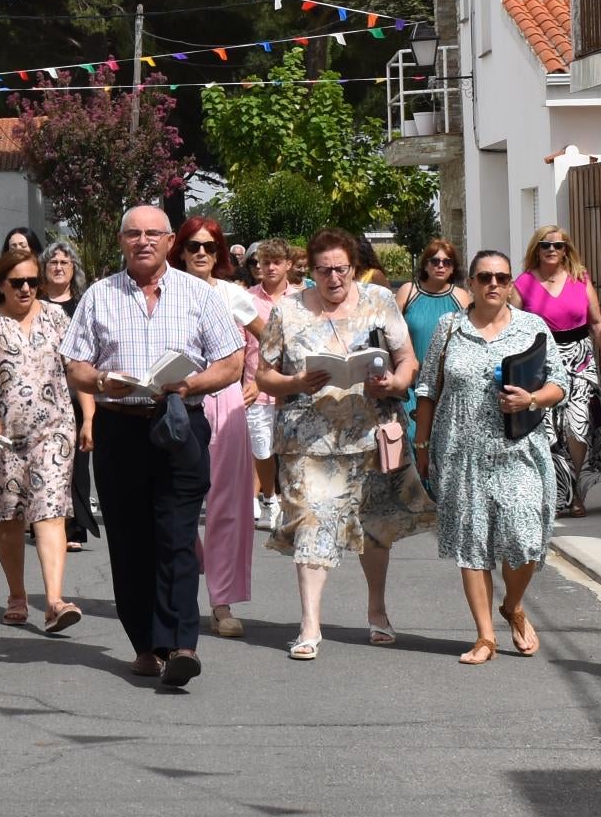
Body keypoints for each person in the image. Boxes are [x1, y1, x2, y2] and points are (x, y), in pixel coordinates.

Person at [65, 206, 249, 688]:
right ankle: (146, 646)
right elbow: (75, 365)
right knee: (129, 542)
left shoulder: (198, 294)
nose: (143, 241)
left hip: (179, 423)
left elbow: (232, 362)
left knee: (177, 537)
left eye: (153, 233)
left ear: (170, 242)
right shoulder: (99, 295)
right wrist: (101, 380)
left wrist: (190, 384)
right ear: (121, 241)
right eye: (133, 233)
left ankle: (182, 645)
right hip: (120, 427)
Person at [256, 227, 430, 656]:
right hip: (308, 441)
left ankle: (377, 611)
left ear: (354, 266)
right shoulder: (287, 310)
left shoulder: (380, 300)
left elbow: (408, 359)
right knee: (311, 523)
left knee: (374, 527)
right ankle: (310, 625)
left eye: (341, 269)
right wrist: (296, 381)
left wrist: (394, 382)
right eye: (324, 271)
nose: (334, 278)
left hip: (372, 436)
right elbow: (263, 375)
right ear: (310, 271)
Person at [415, 250, 566, 665]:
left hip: (518, 447)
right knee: (472, 542)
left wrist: (531, 399)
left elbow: (559, 383)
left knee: (525, 538)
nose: (493, 284)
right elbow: (427, 388)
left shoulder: (531, 327)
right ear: (471, 282)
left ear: (511, 282)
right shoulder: (450, 328)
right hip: (459, 451)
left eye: (501, 277)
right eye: (484, 277)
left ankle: (512, 605)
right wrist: (422, 446)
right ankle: (485, 637)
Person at [0, 246, 82, 632]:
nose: (27, 288)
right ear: (2, 284)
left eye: (33, 281)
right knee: (11, 518)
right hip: (4, 438)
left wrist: (92, 414)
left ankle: (54, 601)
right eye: (18, 282)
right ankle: (17, 595)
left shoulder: (56, 318)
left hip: (54, 430)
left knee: (50, 512)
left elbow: (76, 368)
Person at [175, 217, 261, 639]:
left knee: (227, 502)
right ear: (180, 250)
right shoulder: (167, 291)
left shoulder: (232, 295)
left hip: (225, 400)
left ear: (219, 252)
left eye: (209, 246)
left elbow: (271, 338)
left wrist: (257, 379)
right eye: (193, 246)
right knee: (176, 499)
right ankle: (184, 582)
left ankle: (222, 601)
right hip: (176, 399)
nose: (201, 253)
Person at [515, 228, 601, 517]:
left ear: (566, 249)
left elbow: (597, 323)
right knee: (549, 430)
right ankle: (557, 491)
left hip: (580, 359)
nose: (551, 249)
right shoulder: (523, 283)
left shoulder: (580, 278)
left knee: (577, 427)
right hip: (541, 360)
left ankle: (575, 487)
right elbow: (511, 326)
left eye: (558, 245)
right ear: (537, 248)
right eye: (545, 245)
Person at [40, 242, 99, 549]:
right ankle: (45, 523)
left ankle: (74, 528)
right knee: (43, 462)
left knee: (76, 463)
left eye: (65, 262)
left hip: (77, 394)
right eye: (53, 262)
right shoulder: (33, 304)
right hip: (40, 397)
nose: (59, 267)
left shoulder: (83, 305)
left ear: (74, 268)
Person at [246, 239, 301, 518]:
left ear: (288, 264)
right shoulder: (247, 299)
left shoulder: (302, 299)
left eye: (276, 262)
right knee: (262, 450)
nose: (269, 268)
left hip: (294, 387)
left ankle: (292, 503)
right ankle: (268, 497)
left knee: (293, 450)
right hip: (256, 387)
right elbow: (240, 344)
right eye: (264, 262)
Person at [396, 238, 468, 441]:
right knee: (411, 439)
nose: (440, 266)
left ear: (453, 268)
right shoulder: (408, 292)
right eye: (435, 261)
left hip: (446, 386)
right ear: (426, 265)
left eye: (447, 262)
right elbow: (389, 333)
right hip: (411, 383)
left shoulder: (461, 297)